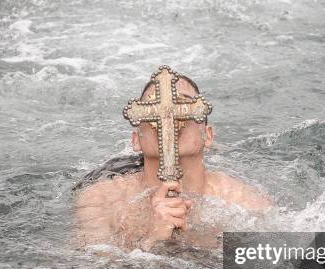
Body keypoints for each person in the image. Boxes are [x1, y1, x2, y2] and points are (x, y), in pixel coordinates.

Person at [74, 70, 272, 251]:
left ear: (208, 136)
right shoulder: (101, 201)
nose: (168, 116)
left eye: (184, 103)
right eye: (153, 105)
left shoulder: (244, 203)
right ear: (136, 141)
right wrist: (152, 242)